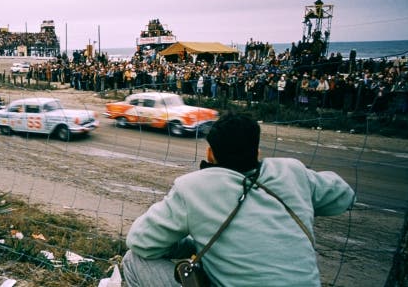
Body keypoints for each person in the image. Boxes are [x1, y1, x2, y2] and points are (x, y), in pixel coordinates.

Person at [123, 113, 355, 286]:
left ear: (210, 154)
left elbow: (140, 241)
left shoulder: (193, 186)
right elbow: (344, 196)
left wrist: (192, 243)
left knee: (134, 260)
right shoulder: (291, 171)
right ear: (257, 152)